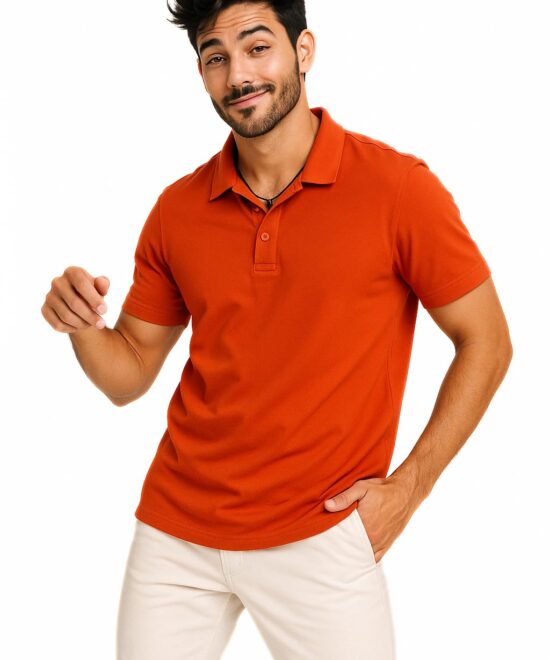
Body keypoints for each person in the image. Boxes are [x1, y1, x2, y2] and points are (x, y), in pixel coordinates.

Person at [41, 1, 513, 658]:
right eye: (215, 57)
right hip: (177, 536)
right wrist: (81, 324)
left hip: (322, 534)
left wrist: (408, 489)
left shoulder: (398, 188)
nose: (237, 74)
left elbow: (487, 340)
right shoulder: (177, 210)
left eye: (257, 47)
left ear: (304, 50)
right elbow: (128, 374)